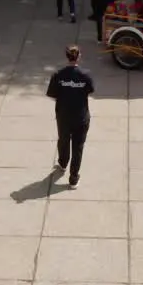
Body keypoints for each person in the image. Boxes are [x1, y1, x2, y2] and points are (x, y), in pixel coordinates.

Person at [47, 44, 94, 187]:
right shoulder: (85, 76)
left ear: (67, 57)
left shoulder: (58, 75)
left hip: (63, 116)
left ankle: (62, 163)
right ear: (79, 56)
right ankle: (73, 178)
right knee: (78, 147)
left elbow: (52, 94)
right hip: (81, 117)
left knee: (63, 140)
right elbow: (90, 91)